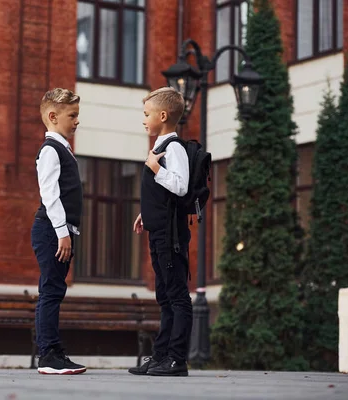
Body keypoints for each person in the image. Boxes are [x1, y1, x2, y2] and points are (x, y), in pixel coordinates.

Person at [128, 87, 193, 377]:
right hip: (159, 231)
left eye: (146, 114)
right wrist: (147, 213)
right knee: (164, 297)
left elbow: (180, 186)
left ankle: (177, 359)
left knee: (177, 297)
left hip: (172, 237)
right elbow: (163, 195)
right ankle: (159, 357)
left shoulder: (174, 148)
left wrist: (156, 168)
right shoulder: (159, 146)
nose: (143, 119)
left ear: (163, 116)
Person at [31, 88, 86, 375]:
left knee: (54, 290)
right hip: (51, 231)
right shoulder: (51, 150)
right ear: (52, 117)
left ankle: (53, 351)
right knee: (51, 291)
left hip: (59, 231)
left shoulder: (62, 148)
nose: (77, 121)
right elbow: (50, 194)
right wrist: (62, 232)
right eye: (72, 115)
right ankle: (49, 356)